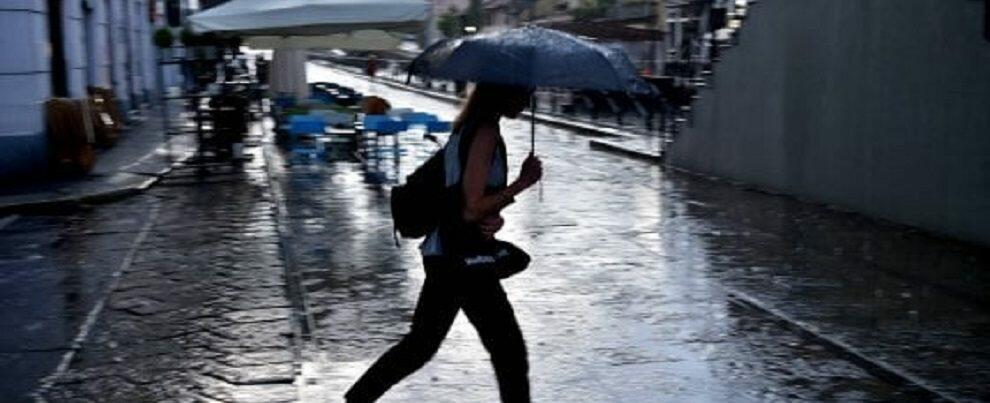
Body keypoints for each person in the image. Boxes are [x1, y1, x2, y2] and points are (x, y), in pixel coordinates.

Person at [345, 83, 543, 403]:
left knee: (421, 344)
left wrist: (494, 216)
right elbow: (472, 206)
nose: (527, 99)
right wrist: (523, 182)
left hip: (447, 252)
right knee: (509, 351)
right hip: (464, 259)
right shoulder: (486, 132)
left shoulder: (470, 128)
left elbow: (468, 201)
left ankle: (357, 399)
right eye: (523, 92)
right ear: (503, 91)